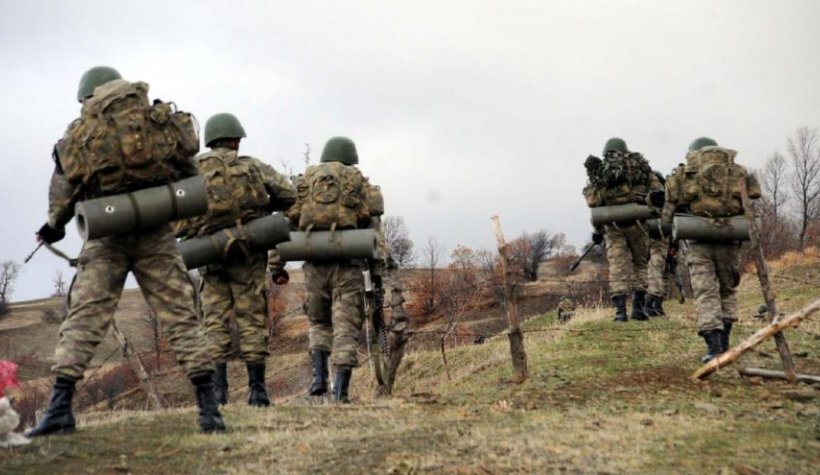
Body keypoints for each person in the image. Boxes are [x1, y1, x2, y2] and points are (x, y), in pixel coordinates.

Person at [28, 66, 225, 436]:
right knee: (182, 317)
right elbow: (187, 169)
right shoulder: (154, 121)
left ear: (87, 97)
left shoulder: (82, 132)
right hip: (156, 233)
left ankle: (59, 409)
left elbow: (64, 194)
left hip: (105, 234)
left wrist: (53, 227)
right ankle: (209, 410)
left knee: (84, 319)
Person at [174, 113, 296, 407]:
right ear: (235, 140)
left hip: (210, 255)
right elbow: (289, 195)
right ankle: (257, 391)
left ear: (211, 139)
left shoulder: (193, 169)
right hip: (249, 252)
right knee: (252, 319)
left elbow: (176, 211)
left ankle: (218, 392)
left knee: (214, 322)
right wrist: (263, 211)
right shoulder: (252, 166)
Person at [287, 136, 381, 403]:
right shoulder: (358, 180)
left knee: (318, 322)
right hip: (348, 264)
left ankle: (318, 378)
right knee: (345, 328)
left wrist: (275, 264)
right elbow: (374, 229)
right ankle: (340, 392)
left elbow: (288, 223)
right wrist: (377, 271)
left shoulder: (306, 180)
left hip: (314, 263)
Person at [662, 137, 761, 362]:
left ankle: (714, 347)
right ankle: (725, 342)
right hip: (730, 239)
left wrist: (670, 223)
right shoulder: (738, 171)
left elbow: (668, 213)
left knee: (706, 292)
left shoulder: (684, 174)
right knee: (727, 290)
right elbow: (754, 195)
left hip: (698, 241)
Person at [583, 138, 661, 322]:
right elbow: (657, 194)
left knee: (617, 267)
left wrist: (597, 230)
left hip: (613, 227)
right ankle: (638, 309)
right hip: (638, 224)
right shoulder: (639, 168)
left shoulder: (600, 173)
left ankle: (620, 312)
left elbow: (595, 204)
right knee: (640, 264)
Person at [645, 170, 669, 316]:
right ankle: (653, 303)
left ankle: (653, 303)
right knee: (658, 266)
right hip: (660, 234)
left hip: (654, 233)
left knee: (657, 267)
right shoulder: (663, 190)